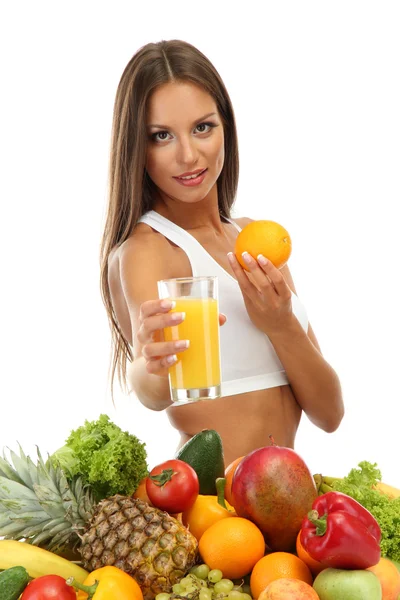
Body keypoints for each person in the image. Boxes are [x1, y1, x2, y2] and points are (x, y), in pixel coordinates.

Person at [100, 39, 344, 467]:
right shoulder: (148, 249)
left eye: (202, 127)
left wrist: (282, 325)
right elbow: (152, 391)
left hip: (284, 505)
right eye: (161, 136)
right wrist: (150, 364)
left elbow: (330, 413)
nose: (189, 155)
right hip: (211, 514)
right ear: (137, 150)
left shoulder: (253, 239)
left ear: (225, 127)